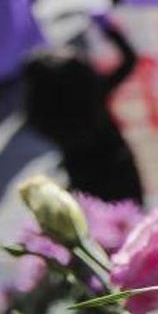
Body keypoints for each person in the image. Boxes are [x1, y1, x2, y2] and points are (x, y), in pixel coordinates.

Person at [23, 14, 144, 204]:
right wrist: (109, 29)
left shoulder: (43, 116)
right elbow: (129, 60)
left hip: (83, 179)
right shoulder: (94, 94)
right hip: (118, 169)